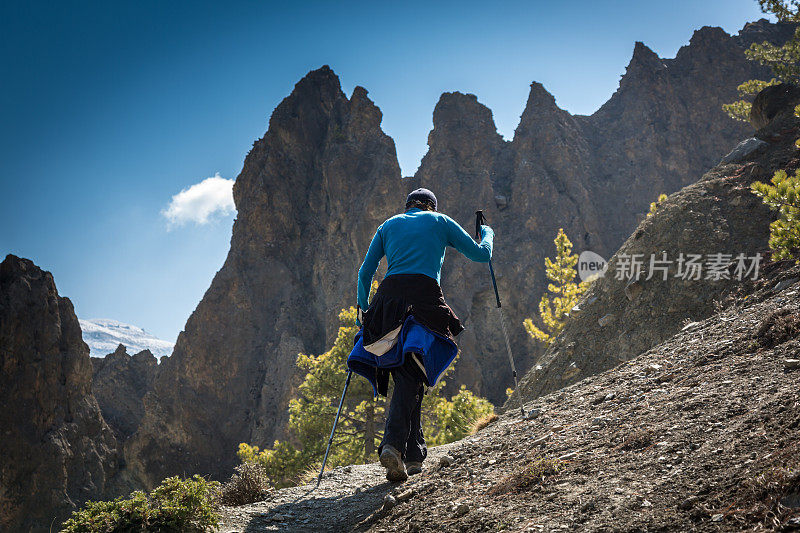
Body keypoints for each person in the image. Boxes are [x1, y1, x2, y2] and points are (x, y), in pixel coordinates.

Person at [354, 187, 493, 482]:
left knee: (408, 373)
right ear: (431, 207)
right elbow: (482, 255)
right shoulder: (440, 221)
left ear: (408, 208)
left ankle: (414, 455)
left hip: (387, 302)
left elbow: (365, 274)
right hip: (424, 300)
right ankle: (392, 444)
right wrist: (488, 232)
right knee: (412, 372)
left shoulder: (388, 225)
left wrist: (365, 310)